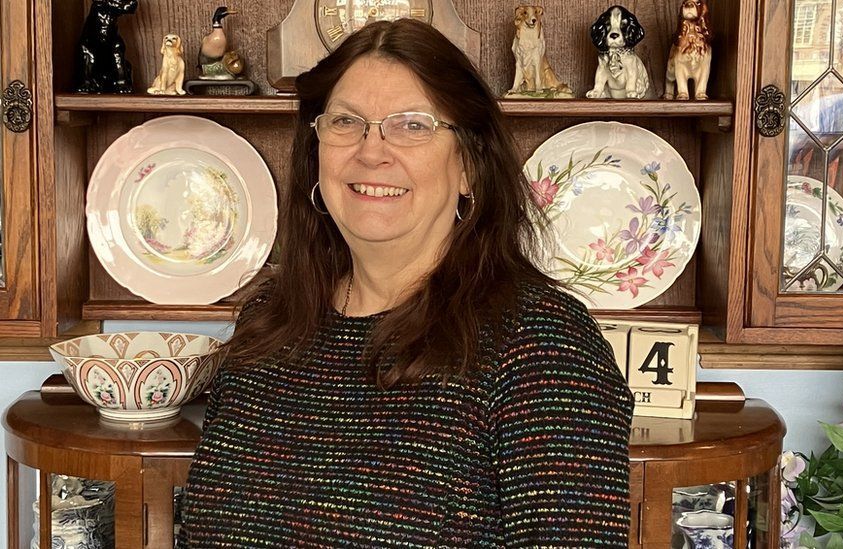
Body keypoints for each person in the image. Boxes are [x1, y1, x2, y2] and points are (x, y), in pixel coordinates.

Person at [179, 18, 634, 547]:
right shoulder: (268, 322)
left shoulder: (544, 346)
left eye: (413, 125)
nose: (372, 152)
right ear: (316, 152)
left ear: (468, 166)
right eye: (346, 122)